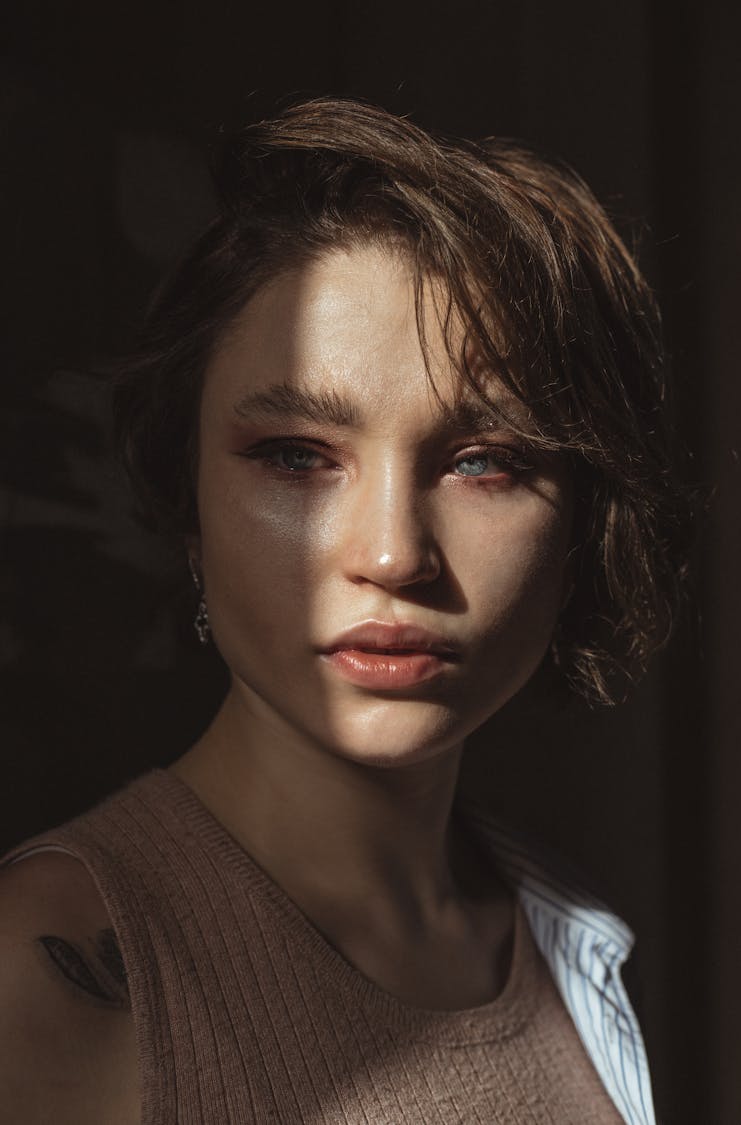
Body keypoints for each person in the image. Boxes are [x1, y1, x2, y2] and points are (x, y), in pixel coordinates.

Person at [0, 98, 688, 1123]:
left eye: (483, 463)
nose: (391, 554)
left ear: (583, 519)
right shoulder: (59, 970)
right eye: (296, 458)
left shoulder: (569, 936)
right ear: (188, 505)